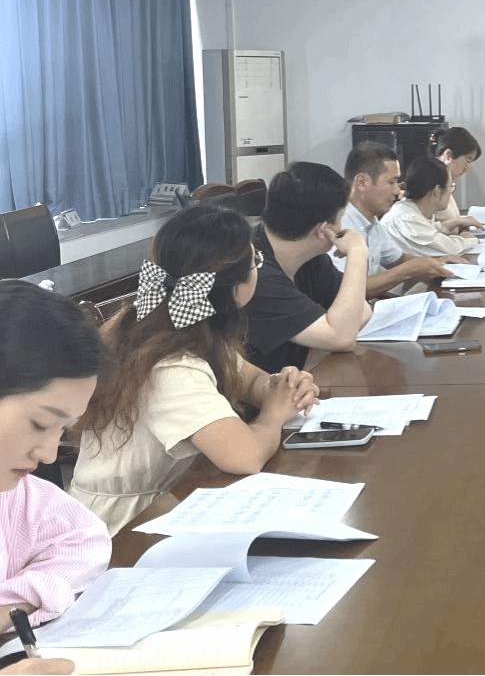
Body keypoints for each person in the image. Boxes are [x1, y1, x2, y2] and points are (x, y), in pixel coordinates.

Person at [70, 206, 319, 535]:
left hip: (163, 505)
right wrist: (274, 415)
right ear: (234, 288)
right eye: (255, 261)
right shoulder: (171, 365)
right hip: (118, 529)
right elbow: (244, 457)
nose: (258, 267)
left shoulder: (177, 327)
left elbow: (250, 380)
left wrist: (282, 386)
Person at [0, 281, 110, 633]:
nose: (48, 455)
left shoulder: (13, 495)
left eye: (63, 430)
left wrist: (15, 603)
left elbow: (86, 541)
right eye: (40, 423)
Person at [243, 162, 373, 373]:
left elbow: (362, 309)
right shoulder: (254, 272)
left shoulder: (310, 258)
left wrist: (336, 329)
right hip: (250, 392)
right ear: (323, 230)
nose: (343, 228)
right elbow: (342, 338)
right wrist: (358, 252)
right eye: (341, 219)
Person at [335, 142, 455, 298]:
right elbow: (350, 290)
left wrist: (439, 263)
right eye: (391, 182)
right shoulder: (338, 224)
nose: (398, 191)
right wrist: (410, 269)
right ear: (362, 182)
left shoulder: (373, 223)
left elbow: (398, 259)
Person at [382, 157, 481, 258]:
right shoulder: (406, 217)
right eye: (450, 186)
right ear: (437, 190)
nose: (451, 192)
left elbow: (429, 232)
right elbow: (449, 249)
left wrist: (455, 223)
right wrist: (468, 239)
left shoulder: (412, 209)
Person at [432, 127, 485, 233]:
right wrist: (458, 222)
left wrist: (462, 225)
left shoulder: (446, 181)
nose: (468, 167)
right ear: (448, 155)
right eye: (468, 161)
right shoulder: (430, 185)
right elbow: (425, 232)